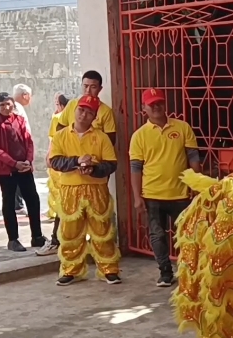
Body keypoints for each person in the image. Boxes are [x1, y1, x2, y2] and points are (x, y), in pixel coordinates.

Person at [129, 88, 202, 287]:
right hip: (152, 195)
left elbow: (193, 156)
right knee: (157, 235)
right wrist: (137, 196)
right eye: (151, 104)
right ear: (144, 108)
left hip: (180, 194)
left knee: (188, 235)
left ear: (165, 104)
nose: (156, 107)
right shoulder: (139, 136)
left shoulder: (182, 128)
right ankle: (165, 272)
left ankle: (189, 271)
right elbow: (136, 168)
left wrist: (197, 184)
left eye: (159, 102)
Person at [49, 95, 122, 285]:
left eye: (89, 112)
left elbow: (111, 164)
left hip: (96, 189)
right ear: (74, 111)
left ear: (94, 117)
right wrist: (76, 162)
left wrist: (94, 169)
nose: (84, 115)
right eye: (81, 110)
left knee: (102, 229)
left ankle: (109, 269)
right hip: (70, 189)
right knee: (70, 232)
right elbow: (55, 161)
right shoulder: (61, 136)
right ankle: (70, 270)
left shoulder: (101, 137)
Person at [0, 92, 47, 252]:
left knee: (33, 200)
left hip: (24, 168)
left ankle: (37, 236)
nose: (6, 108)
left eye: (8, 104)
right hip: (6, 170)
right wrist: (14, 163)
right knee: (8, 203)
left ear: (13, 105)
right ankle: (13, 239)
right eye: (2, 105)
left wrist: (28, 161)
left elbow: (29, 141)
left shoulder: (20, 120)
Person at [36, 93, 71, 257]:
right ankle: (57, 240)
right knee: (62, 206)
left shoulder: (59, 118)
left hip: (65, 168)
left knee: (64, 206)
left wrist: (49, 157)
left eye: (57, 103)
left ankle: (59, 241)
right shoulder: (59, 118)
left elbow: (53, 140)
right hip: (62, 168)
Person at [56, 71, 117, 147]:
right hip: (70, 152)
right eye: (85, 86)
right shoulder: (72, 104)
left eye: (93, 87)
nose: (88, 90)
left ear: (100, 89)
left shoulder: (106, 111)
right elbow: (59, 128)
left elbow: (110, 141)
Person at [11, 84, 33, 215]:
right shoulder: (16, 107)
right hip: (19, 149)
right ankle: (18, 204)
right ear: (25, 95)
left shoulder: (15, 106)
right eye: (30, 96)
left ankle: (18, 203)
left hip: (19, 148)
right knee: (20, 175)